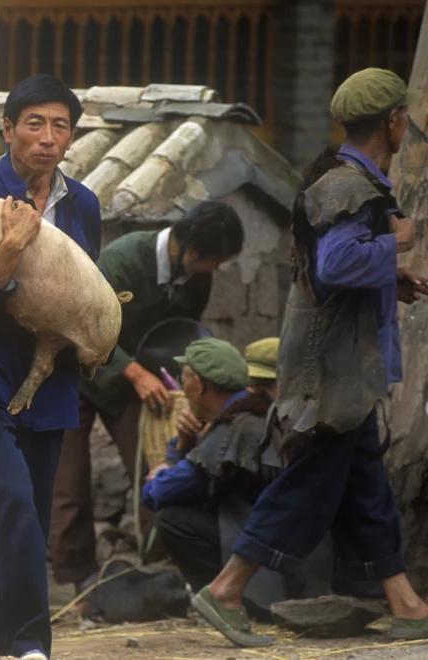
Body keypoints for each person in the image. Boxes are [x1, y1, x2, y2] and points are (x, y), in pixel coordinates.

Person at [192, 68, 428, 647]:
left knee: (366, 487)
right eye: (404, 120)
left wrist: (388, 277)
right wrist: (396, 243)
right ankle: (226, 590)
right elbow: (336, 265)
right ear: (393, 122)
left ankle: (406, 602)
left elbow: (332, 272)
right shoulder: (348, 188)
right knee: (308, 486)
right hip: (330, 377)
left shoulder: (348, 180)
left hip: (348, 375)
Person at [0, 73, 100, 658]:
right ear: (7, 129)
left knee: (23, 513)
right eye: (34, 123)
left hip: (49, 382)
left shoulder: (82, 205)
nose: (47, 137)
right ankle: (34, 643)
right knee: (11, 503)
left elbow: (84, 294)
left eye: (60, 126)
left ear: (71, 136)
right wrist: (6, 256)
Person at [51, 200, 244, 589]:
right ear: (191, 251)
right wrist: (134, 371)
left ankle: (160, 565)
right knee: (69, 481)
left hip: (131, 384)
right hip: (75, 371)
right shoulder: (125, 259)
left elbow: (182, 331)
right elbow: (85, 325)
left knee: (155, 466)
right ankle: (76, 579)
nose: (216, 270)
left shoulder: (197, 277)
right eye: (215, 261)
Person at [142, 338, 288, 615]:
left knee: (173, 520)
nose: (183, 391)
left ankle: (226, 600)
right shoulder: (256, 413)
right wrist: (186, 441)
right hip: (289, 554)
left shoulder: (233, 427)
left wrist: (170, 461)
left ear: (198, 384)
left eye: (184, 381)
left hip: (264, 557)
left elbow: (157, 494)